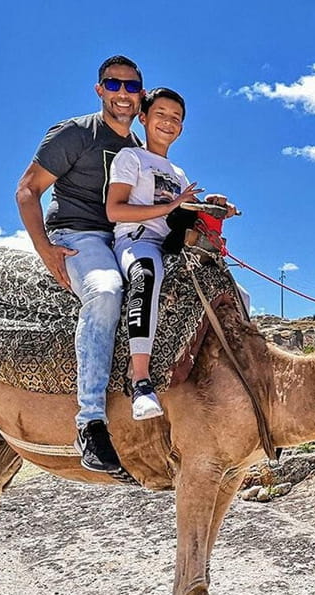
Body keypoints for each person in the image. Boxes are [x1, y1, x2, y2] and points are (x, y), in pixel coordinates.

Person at [16, 55, 145, 475]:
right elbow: (27, 190)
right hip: (77, 235)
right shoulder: (76, 133)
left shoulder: (137, 150)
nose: (122, 94)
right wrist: (45, 249)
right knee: (106, 291)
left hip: (123, 237)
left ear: (140, 94)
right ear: (100, 89)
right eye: (114, 85)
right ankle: (90, 422)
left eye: (131, 86)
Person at [106, 87, 203, 420]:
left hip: (171, 248)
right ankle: (141, 379)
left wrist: (212, 209)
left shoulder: (180, 175)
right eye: (161, 114)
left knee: (234, 292)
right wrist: (173, 204)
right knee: (146, 274)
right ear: (144, 118)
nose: (168, 122)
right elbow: (114, 210)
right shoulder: (130, 158)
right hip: (136, 241)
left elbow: (184, 219)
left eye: (176, 118)